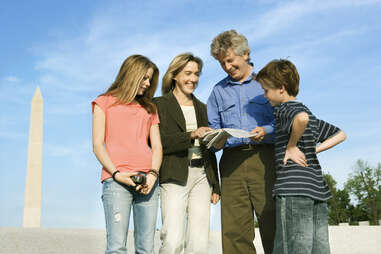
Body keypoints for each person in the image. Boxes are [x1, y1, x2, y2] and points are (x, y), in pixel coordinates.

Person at [256, 59, 346, 254]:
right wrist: (314, 150)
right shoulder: (309, 112)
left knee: (290, 248)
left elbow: (300, 119)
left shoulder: (284, 109)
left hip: (292, 188)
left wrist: (291, 145)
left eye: (266, 90)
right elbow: (340, 134)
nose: (265, 96)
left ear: (281, 88)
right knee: (317, 249)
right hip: (316, 190)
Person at [207, 30, 276, 254]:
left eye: (230, 60)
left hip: (265, 159)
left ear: (245, 54)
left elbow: (285, 121)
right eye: (221, 63)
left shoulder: (268, 83)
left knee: (273, 222)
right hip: (231, 164)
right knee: (234, 231)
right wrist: (215, 138)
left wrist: (265, 131)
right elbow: (213, 130)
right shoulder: (218, 91)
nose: (227, 67)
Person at [92, 55, 162, 254]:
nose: (148, 84)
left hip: (148, 181)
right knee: (116, 248)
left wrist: (153, 174)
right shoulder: (103, 102)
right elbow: (97, 145)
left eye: (150, 79)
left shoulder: (150, 108)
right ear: (132, 74)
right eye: (145, 78)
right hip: (116, 182)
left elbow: (157, 146)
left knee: (146, 248)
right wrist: (116, 174)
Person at [154, 53, 220, 254]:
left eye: (197, 74)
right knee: (173, 240)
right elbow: (159, 143)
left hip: (202, 177)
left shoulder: (203, 108)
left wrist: (215, 184)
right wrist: (191, 135)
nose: (193, 79)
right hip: (174, 175)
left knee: (199, 242)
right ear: (174, 75)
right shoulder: (159, 105)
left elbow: (209, 151)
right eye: (188, 73)